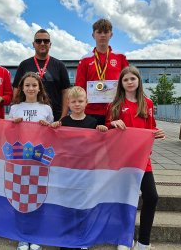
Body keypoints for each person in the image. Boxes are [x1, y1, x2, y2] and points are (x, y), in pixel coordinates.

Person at [105, 66, 165, 250]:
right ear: (121, 84)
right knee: (124, 198)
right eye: (126, 80)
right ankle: (124, 238)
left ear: (139, 81)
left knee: (151, 197)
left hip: (142, 159)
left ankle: (144, 241)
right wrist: (112, 123)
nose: (130, 82)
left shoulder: (147, 103)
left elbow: (150, 127)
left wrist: (157, 132)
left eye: (133, 79)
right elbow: (106, 128)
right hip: (122, 160)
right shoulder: (114, 105)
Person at [50, 86, 107, 250]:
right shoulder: (63, 122)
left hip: (85, 173)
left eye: (80, 101)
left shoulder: (93, 123)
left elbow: (100, 143)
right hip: (67, 172)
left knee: (83, 206)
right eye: (73, 101)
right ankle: (66, 237)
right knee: (66, 206)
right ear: (68, 103)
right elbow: (55, 141)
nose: (76, 104)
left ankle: (82, 238)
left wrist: (102, 131)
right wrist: (54, 128)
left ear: (86, 102)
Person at [9, 72, 54, 250]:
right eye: (27, 85)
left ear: (39, 88)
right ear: (22, 88)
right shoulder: (15, 108)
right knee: (19, 195)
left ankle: (35, 235)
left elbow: (52, 134)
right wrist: (13, 124)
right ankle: (22, 235)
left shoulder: (46, 109)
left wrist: (47, 127)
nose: (30, 88)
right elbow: (7, 133)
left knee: (37, 195)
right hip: (19, 158)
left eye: (34, 85)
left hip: (38, 158)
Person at [75, 19, 129, 125]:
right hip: (91, 110)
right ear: (93, 35)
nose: (103, 35)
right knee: (92, 141)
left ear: (111, 35)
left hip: (115, 109)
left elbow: (127, 82)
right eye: (99, 32)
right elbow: (79, 86)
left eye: (106, 32)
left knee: (115, 141)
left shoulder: (120, 57)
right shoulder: (85, 59)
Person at [12, 29, 70, 121]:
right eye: (38, 41)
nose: (42, 43)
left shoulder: (60, 65)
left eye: (46, 41)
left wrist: (63, 117)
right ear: (33, 44)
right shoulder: (24, 65)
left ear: (50, 44)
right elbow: (16, 89)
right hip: (27, 117)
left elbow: (66, 92)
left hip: (55, 117)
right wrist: (15, 111)